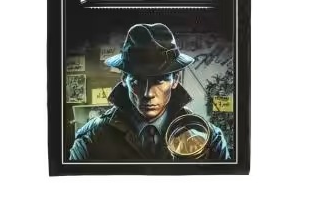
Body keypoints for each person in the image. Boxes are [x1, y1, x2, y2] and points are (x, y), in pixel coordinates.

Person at [69, 23, 230, 161]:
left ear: (176, 80)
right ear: (124, 79)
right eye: (137, 80)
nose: (148, 94)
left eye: (159, 80)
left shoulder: (210, 139)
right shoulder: (91, 138)